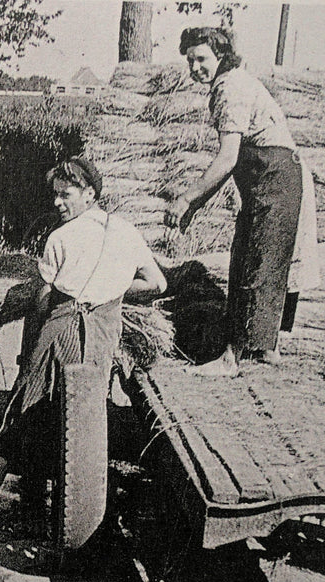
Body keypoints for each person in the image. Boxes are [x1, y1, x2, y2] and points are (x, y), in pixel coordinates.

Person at [0, 157, 166, 537]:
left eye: (65, 194)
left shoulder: (60, 238)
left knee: (23, 409)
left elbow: (43, 296)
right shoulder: (126, 231)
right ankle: (73, 519)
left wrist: (34, 347)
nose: (58, 203)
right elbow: (158, 284)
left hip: (61, 327)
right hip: (103, 333)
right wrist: (119, 289)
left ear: (89, 194)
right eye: (55, 195)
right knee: (83, 421)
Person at [165, 27, 305, 376]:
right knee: (253, 255)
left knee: (256, 260)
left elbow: (227, 159)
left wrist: (185, 199)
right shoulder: (231, 83)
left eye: (201, 59)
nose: (195, 67)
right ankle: (262, 351)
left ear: (221, 56)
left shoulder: (230, 87)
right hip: (273, 177)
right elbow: (232, 164)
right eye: (190, 61)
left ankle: (232, 359)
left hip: (273, 175)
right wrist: (195, 205)